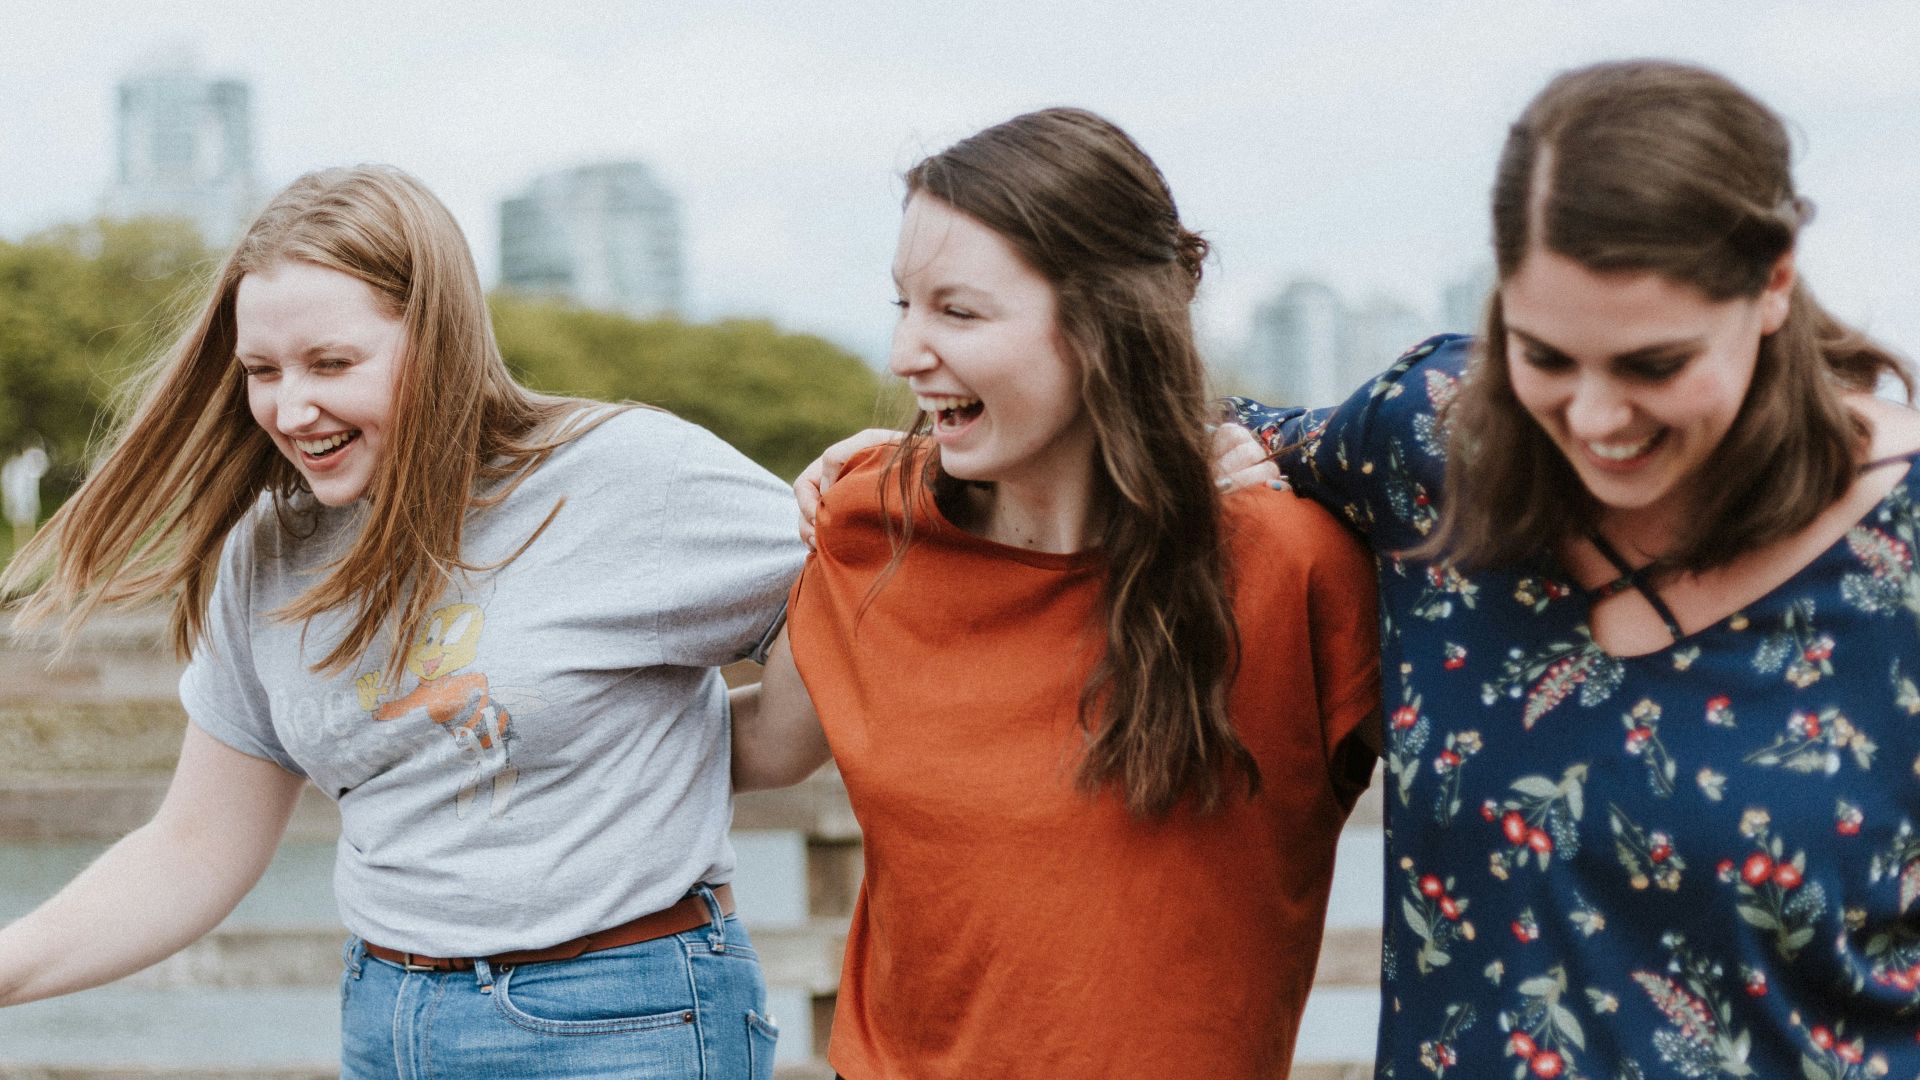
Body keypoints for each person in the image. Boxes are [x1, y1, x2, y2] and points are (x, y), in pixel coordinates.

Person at [0, 166, 800, 1079]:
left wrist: (699, 746)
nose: (291, 409)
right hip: (390, 1019)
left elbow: (848, 615)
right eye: (263, 371)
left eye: (332, 365)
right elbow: (193, 850)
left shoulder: (628, 477)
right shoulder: (268, 552)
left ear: (439, 341)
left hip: (625, 1022)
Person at [1225, 60, 1920, 1077]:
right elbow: (1194, 445)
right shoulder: (1434, 438)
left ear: (1773, 283)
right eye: (1545, 356)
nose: (1595, 420)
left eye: (1654, 365)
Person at [730, 107, 1381, 1079]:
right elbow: (761, 747)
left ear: (1105, 324)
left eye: (957, 311)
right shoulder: (871, 530)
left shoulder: (1294, 567)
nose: (908, 353)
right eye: (901, 306)